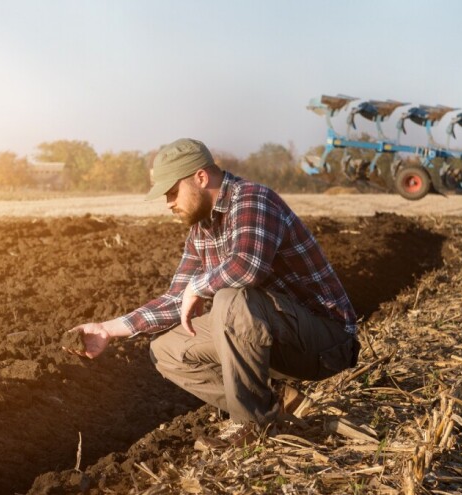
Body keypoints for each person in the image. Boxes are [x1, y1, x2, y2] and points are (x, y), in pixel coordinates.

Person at [66, 138, 360, 449]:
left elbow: (247, 267)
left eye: (172, 192)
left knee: (229, 300)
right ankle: (275, 404)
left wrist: (198, 286)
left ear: (201, 178)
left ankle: (254, 426)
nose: (168, 203)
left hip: (325, 344)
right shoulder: (201, 230)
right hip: (276, 338)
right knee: (166, 350)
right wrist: (107, 329)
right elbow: (177, 299)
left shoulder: (253, 199)